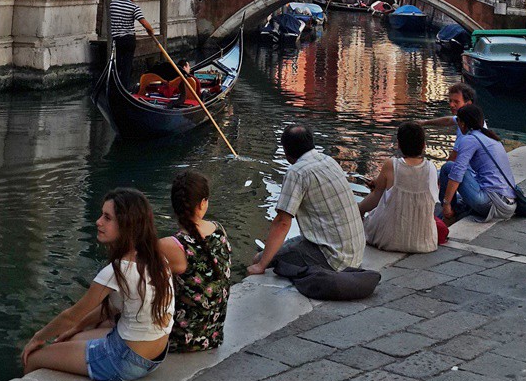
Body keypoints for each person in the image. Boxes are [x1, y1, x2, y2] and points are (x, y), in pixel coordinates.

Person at [22, 188, 174, 381]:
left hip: (124, 361)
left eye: (107, 218)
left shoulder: (118, 270)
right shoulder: (157, 259)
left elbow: (71, 315)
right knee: (73, 337)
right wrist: (77, 328)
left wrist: (37, 337)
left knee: (32, 359)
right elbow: (110, 308)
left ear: (127, 225)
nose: (98, 222)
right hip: (155, 356)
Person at [247, 124, 365, 275]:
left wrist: (261, 265)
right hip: (354, 253)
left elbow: (282, 222)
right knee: (287, 246)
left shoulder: (297, 172)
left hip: (334, 259)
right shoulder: (328, 160)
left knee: (258, 259)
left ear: (286, 150)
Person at [159, 172, 231, 352]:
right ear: (202, 203)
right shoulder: (219, 229)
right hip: (213, 334)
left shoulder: (169, 245)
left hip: (181, 338)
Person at [360, 123, 439, 253]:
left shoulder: (392, 164)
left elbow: (376, 197)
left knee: (366, 212)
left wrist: (359, 210)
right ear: (424, 145)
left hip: (389, 240)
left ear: (399, 144)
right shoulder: (431, 168)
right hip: (425, 242)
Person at [439, 104, 517, 222]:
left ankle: (449, 212)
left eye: (458, 121)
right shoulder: (490, 137)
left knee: (448, 167)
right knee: (464, 168)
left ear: (463, 123)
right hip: (509, 201)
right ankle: (457, 207)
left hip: (494, 203)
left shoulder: (469, 139)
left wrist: (446, 203)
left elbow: (457, 174)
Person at [109, 0, 155, 90]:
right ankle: (124, 88)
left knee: (117, 64)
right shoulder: (134, 7)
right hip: (129, 40)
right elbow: (144, 22)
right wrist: (150, 31)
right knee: (127, 66)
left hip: (117, 40)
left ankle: (113, 86)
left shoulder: (113, 4)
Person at [420, 83, 478, 159]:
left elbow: (453, 159)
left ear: (468, 104)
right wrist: (424, 123)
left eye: (456, 102)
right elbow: (448, 120)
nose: (451, 105)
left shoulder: (464, 129)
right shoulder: (472, 118)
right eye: (450, 101)